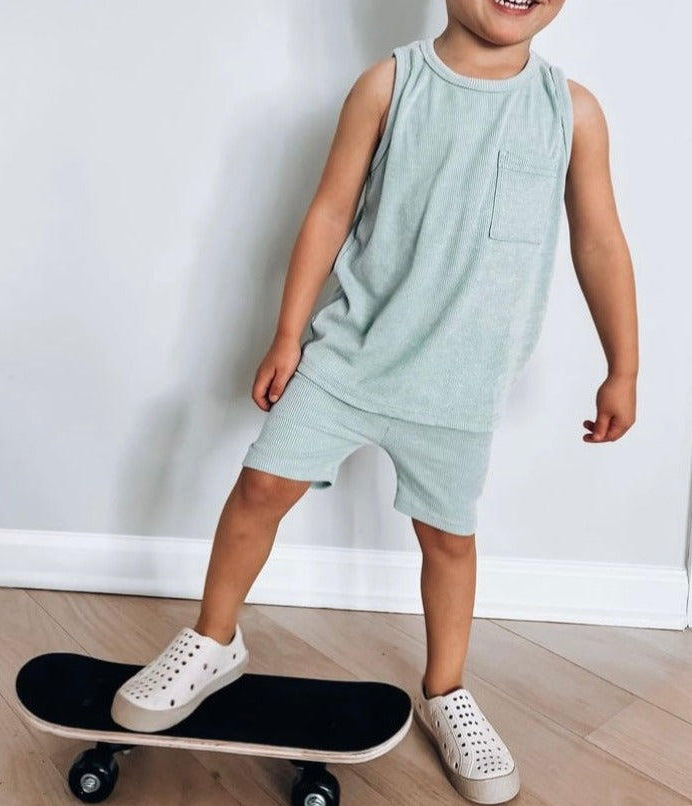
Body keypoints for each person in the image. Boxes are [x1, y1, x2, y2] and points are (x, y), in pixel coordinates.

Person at [111, 0, 638, 802]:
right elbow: (329, 210)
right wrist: (289, 334)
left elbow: (599, 238)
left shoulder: (571, 109)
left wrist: (622, 368)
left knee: (449, 543)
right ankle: (213, 640)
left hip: (462, 384)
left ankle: (448, 690)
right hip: (350, 358)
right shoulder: (390, 85)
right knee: (259, 488)